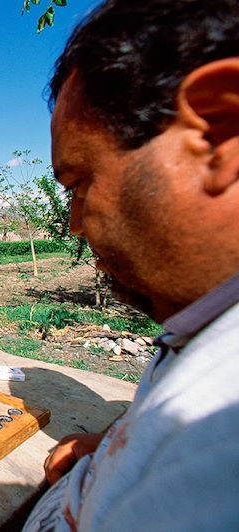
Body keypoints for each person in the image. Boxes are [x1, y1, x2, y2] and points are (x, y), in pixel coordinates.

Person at [23, 0, 239, 530]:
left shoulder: (217, 441)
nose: (74, 225)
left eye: (78, 184)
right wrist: (117, 447)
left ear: (219, 133)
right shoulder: (204, 327)